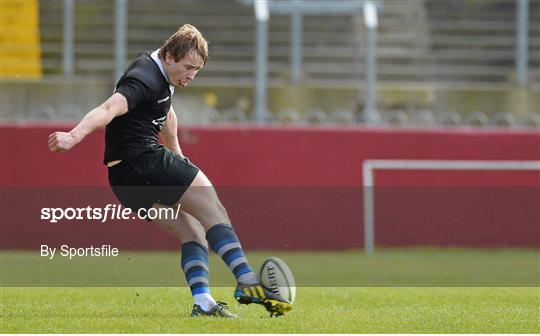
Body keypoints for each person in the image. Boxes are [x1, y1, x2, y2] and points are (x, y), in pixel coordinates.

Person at [48, 24, 292, 318]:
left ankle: (203, 304)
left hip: (124, 181)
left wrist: (178, 162)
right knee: (214, 210)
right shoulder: (144, 79)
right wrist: (73, 136)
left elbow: (167, 118)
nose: (192, 74)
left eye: (197, 69)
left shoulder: (160, 77)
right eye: (188, 67)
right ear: (169, 57)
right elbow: (108, 108)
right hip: (144, 161)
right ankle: (246, 281)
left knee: (193, 231)